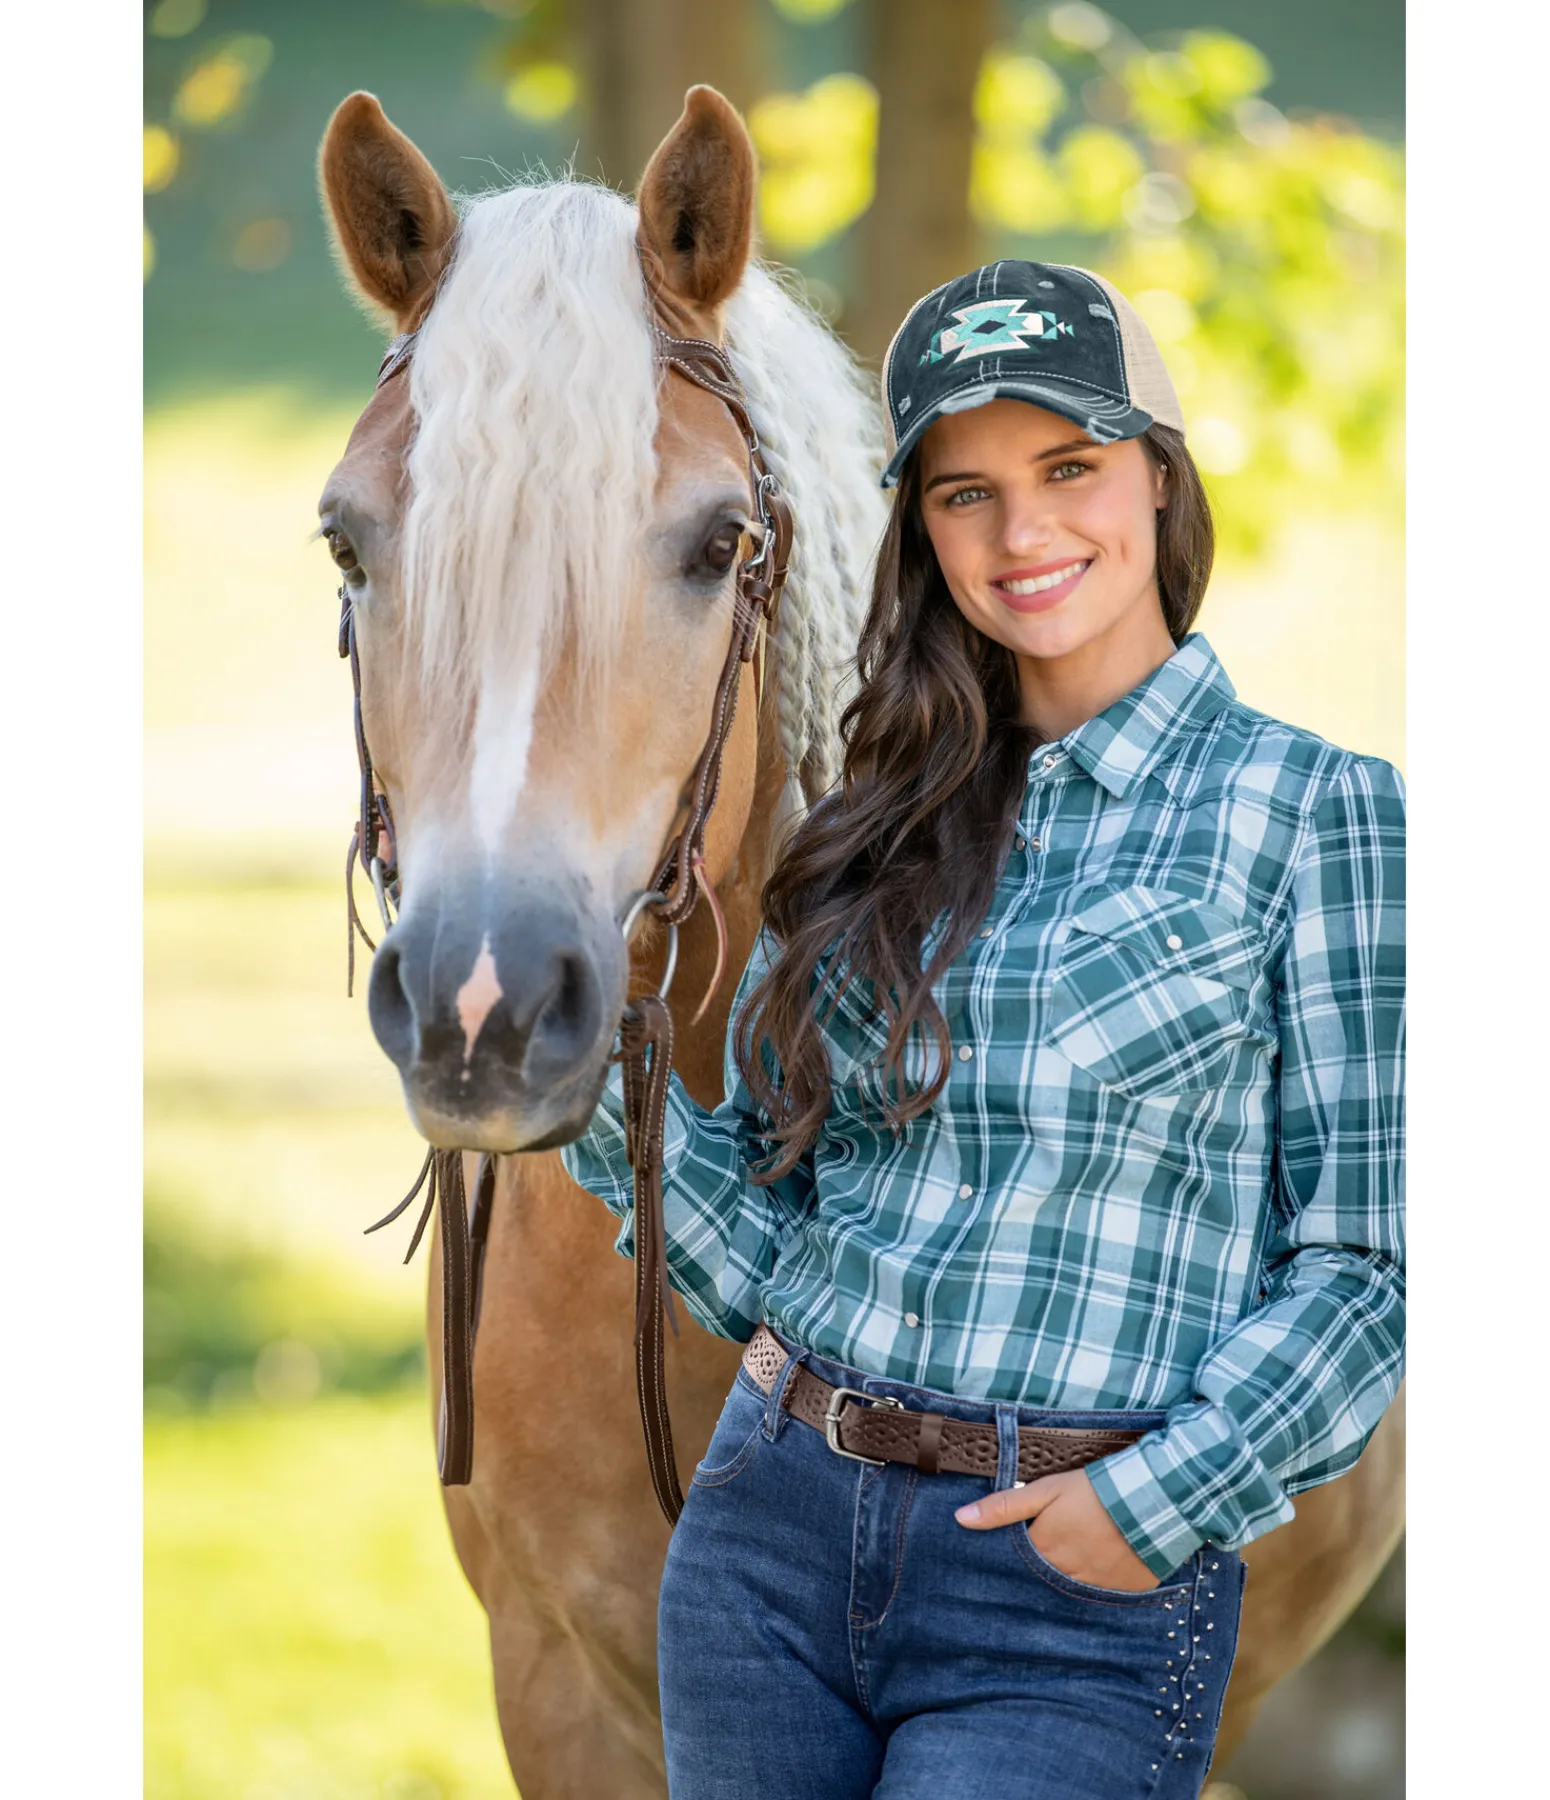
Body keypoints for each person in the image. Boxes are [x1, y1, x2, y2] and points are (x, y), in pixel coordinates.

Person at [560, 260, 1405, 1800]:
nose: (1022, 534)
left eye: (1068, 468)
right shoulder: (870, 823)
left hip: (1070, 1599)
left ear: (1159, 480)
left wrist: (1153, 1504)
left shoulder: (1317, 815)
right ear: (923, 530)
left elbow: (1368, 1266)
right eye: (966, 493)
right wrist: (589, 1086)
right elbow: (763, 1247)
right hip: (768, 1545)